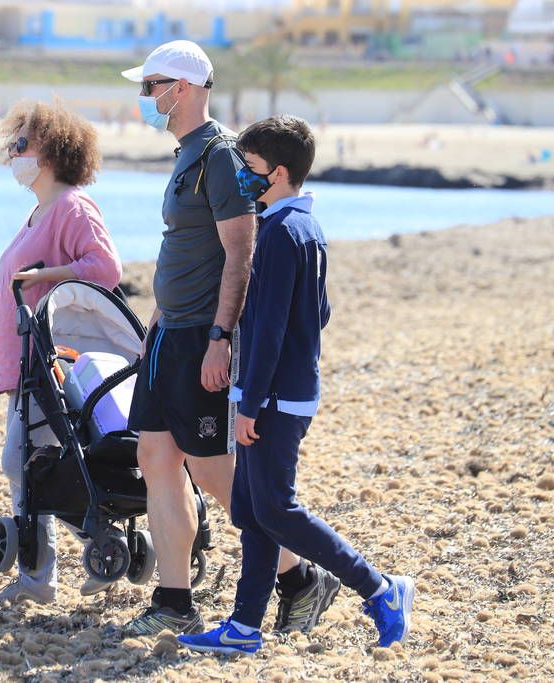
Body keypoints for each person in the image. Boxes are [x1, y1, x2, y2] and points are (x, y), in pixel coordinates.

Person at [178, 116, 413, 655]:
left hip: (274, 398)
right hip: (279, 391)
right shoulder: (303, 227)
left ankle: (379, 589)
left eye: (252, 170)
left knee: (276, 509)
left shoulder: (282, 234)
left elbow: (270, 331)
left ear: (279, 173)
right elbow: (317, 314)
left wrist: (251, 403)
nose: (244, 179)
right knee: (253, 511)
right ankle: (242, 627)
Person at [119, 41, 327, 636]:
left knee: (213, 471)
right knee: (155, 456)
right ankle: (173, 596)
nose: (145, 98)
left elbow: (240, 253)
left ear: (179, 88)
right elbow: (188, 249)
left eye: (150, 86)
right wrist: (157, 318)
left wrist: (219, 338)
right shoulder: (187, 153)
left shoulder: (221, 155)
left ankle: (299, 575)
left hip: (201, 338)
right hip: (171, 333)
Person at [0, 100, 122, 604]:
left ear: (53, 149)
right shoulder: (39, 211)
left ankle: (43, 574)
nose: (14, 154)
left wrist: (47, 277)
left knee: (22, 462)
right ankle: (93, 546)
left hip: (51, 363)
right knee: (30, 463)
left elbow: (105, 269)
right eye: (11, 145)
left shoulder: (72, 206)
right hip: (26, 365)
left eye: (21, 144)